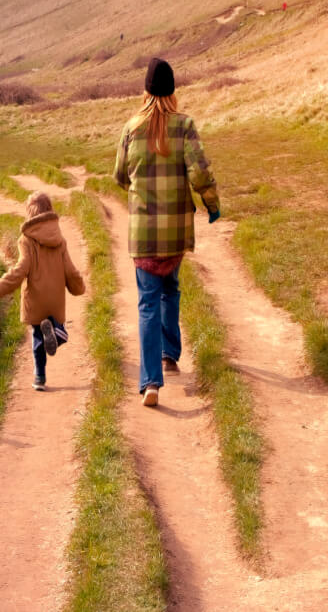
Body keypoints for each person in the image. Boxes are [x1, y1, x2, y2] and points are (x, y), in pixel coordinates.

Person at [113, 57, 220, 407]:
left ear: (145, 91)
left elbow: (119, 175)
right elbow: (199, 172)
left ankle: (151, 384)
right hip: (174, 232)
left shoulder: (131, 127)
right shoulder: (185, 125)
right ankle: (170, 353)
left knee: (147, 303)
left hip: (143, 233)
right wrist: (211, 203)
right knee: (170, 288)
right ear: (173, 92)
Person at [0, 191, 86, 391]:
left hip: (36, 299)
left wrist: (1, 285)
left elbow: (21, 269)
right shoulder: (60, 239)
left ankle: (39, 377)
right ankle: (58, 332)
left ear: (29, 215)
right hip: (55, 299)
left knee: (37, 337)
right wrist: (79, 286)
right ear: (50, 210)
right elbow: (69, 269)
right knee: (55, 329)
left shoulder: (26, 240)